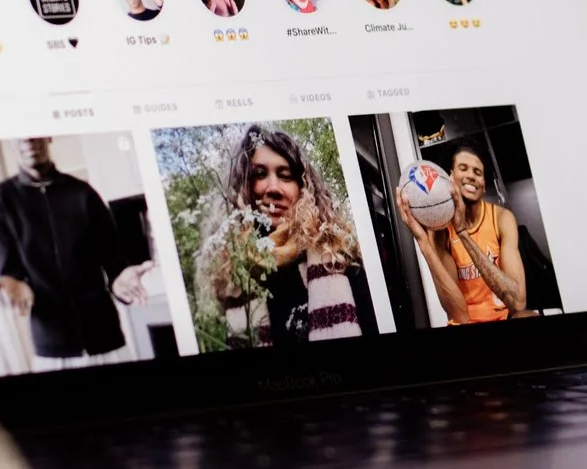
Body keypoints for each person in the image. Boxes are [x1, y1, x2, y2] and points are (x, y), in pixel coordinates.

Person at [194, 123, 377, 346]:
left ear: (304, 188)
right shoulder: (233, 281)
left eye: (286, 176)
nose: (273, 188)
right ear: (243, 188)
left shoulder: (340, 260)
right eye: (259, 174)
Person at [0, 137, 152, 363]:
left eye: (33, 132)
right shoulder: (0, 199)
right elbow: (10, 272)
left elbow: (115, 262)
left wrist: (119, 281)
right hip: (51, 346)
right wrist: (15, 285)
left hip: (106, 339)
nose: (28, 140)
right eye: (19, 135)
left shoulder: (84, 193)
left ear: (48, 136)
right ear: (10, 141)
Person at [396, 143, 528, 323]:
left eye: (477, 172)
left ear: (483, 185)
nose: (471, 176)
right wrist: (424, 243)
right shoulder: (441, 231)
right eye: (463, 168)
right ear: (449, 178)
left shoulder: (501, 218)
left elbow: (518, 303)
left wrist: (462, 232)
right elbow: (459, 316)